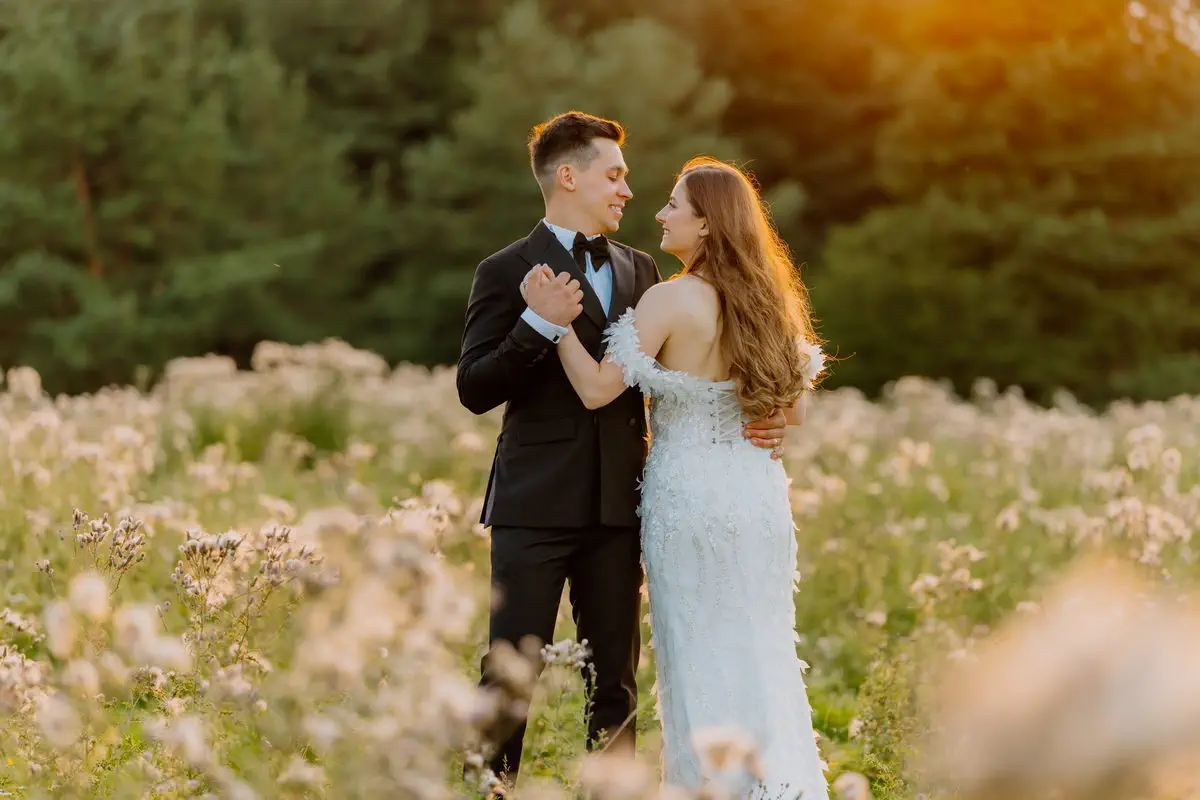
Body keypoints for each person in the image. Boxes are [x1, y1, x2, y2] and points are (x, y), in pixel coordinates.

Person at [455, 112, 789, 785]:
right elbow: (474, 387)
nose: (627, 191)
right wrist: (535, 322)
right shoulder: (505, 270)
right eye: (614, 176)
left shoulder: (642, 270)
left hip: (622, 504)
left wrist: (765, 416)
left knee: (616, 679)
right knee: (511, 668)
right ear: (568, 176)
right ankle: (487, 792)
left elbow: (698, 366)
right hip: (533, 504)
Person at [526, 155, 829, 798]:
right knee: (762, 647)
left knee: (698, 650)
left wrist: (556, 326)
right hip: (755, 495)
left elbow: (597, 390)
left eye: (674, 205)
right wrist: (766, 421)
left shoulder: (670, 298)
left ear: (707, 223)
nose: (661, 214)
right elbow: (795, 410)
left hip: (689, 497)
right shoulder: (768, 301)